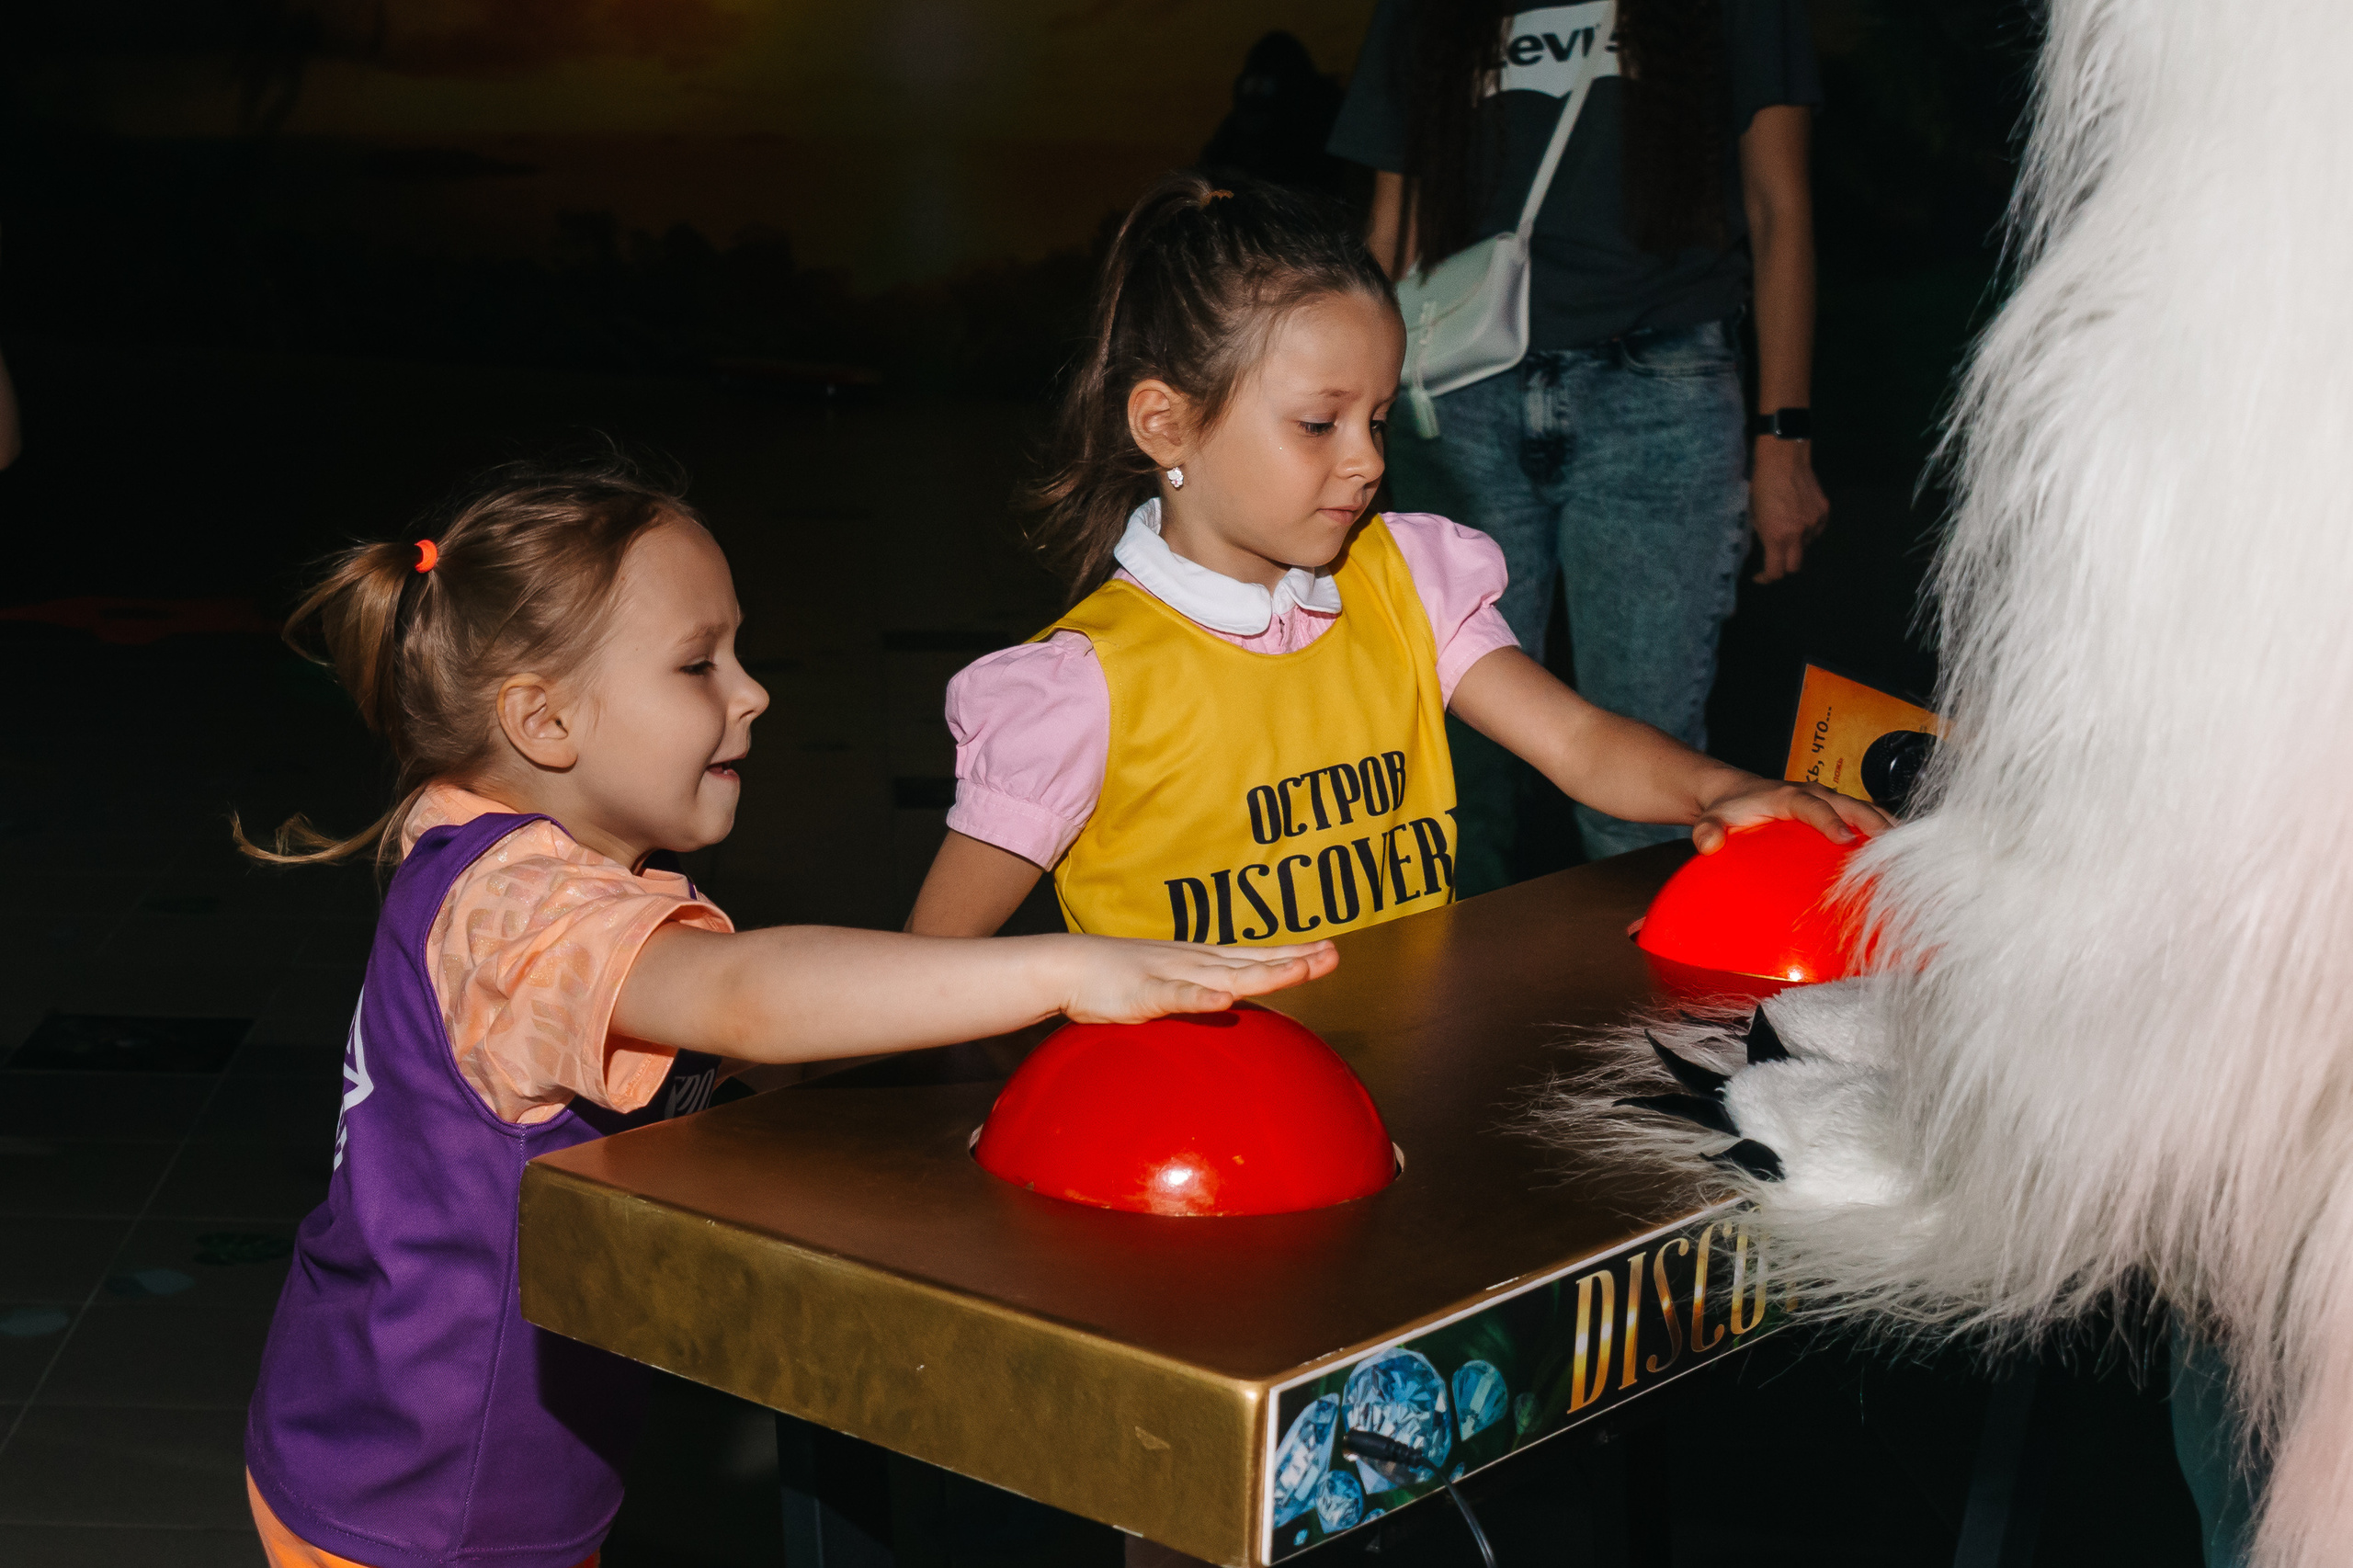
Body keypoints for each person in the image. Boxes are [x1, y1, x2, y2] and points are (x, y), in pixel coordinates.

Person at [233, 458, 1336, 1568]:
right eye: (697, 662)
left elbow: (736, 1050)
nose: (751, 692)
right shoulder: (522, 912)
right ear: (544, 718)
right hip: (425, 1498)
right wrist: (1065, 968)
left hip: (416, 1446)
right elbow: (745, 998)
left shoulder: (512, 852)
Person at [907, 173, 1879, 944]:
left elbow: (1579, 744)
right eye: (1318, 423)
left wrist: (1722, 789)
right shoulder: (1085, 683)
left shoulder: (1405, 579)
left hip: (1406, 1087)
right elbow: (929, 965)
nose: (1369, 459)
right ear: (1166, 422)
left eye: (1376, 417)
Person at [1328, 0, 1827, 886]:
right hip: (1455, 401)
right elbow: (1392, 229)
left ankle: (1652, 1021)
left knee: (1649, 775)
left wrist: (1782, 437)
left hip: (1658, 388)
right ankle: (1445, 1020)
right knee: (1449, 772)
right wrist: (1334, 426)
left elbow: (1779, 202)